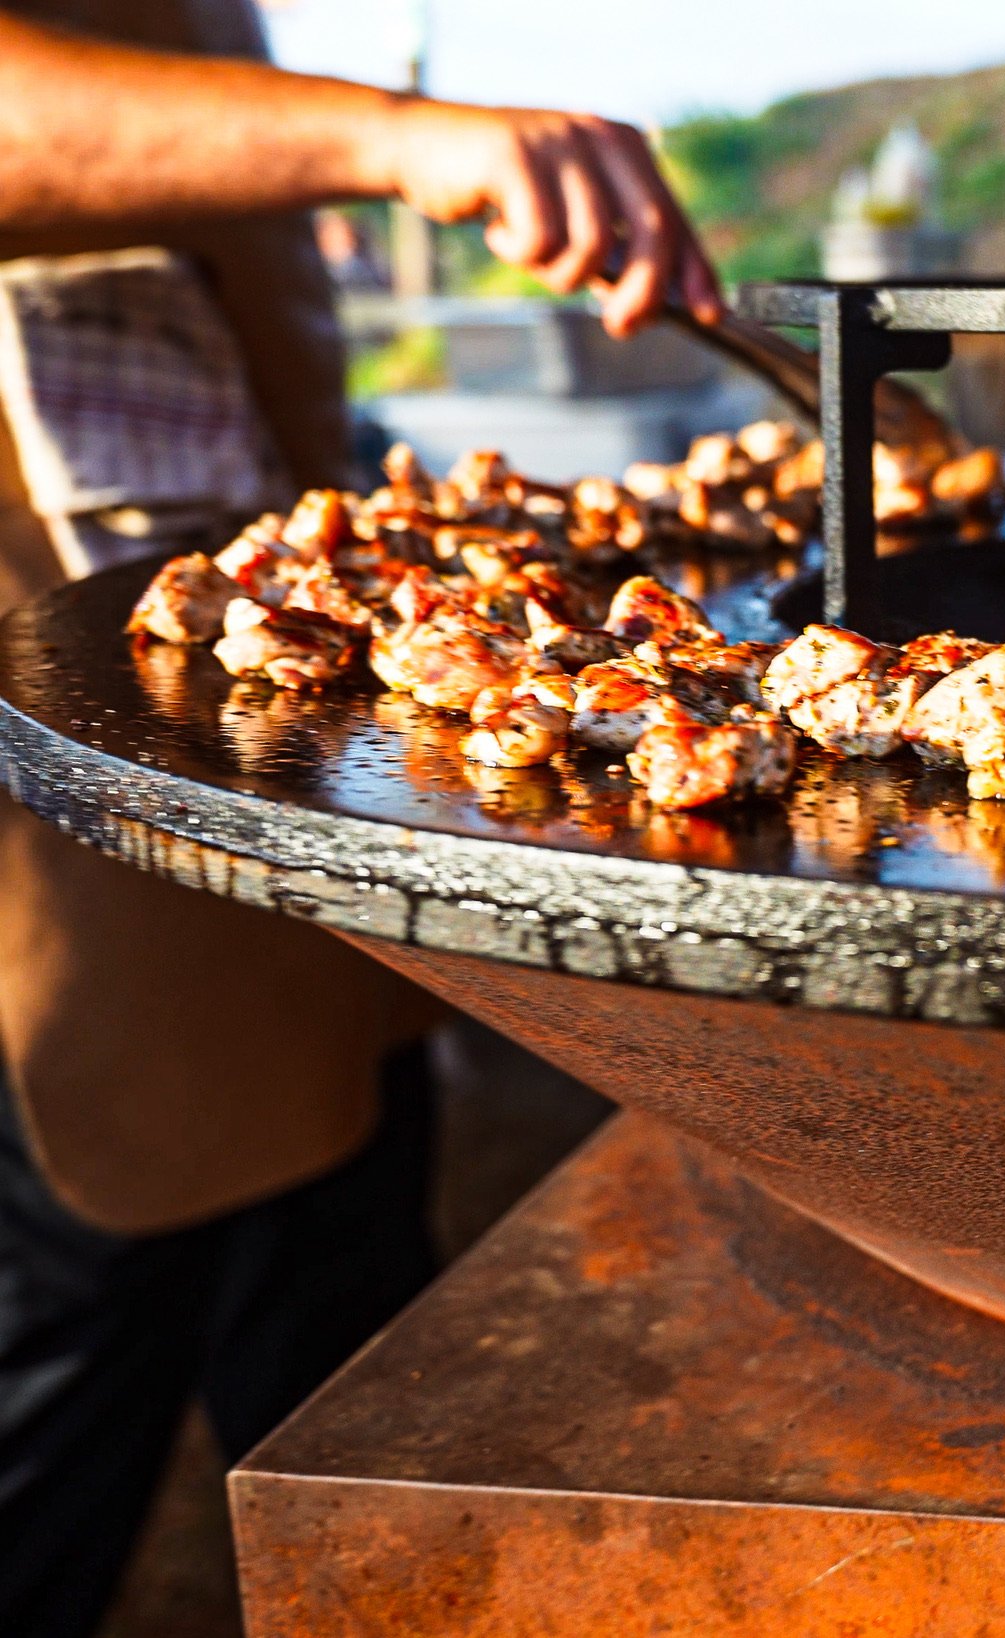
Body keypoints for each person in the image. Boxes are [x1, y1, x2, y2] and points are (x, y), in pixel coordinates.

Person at [0, 8, 721, 1635]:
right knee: (70, 1326)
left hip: (234, 757)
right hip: (53, 777)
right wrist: (403, 138)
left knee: (340, 1334)